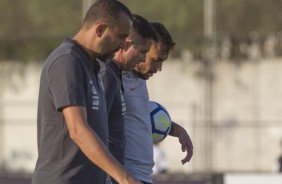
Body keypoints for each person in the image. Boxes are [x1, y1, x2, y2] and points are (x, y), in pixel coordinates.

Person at [32, 1, 141, 184]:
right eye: (121, 36)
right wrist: (125, 178)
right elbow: (78, 130)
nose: (123, 45)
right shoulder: (67, 60)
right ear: (99, 30)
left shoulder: (92, 65)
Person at [122, 22, 194, 184]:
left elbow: (138, 117)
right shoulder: (113, 77)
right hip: (124, 176)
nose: (159, 68)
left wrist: (177, 130)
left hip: (143, 176)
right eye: (155, 60)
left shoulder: (139, 80)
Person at [99, 14, 157, 184]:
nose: (142, 59)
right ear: (127, 44)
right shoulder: (107, 76)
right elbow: (93, 131)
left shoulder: (117, 76)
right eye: (143, 52)